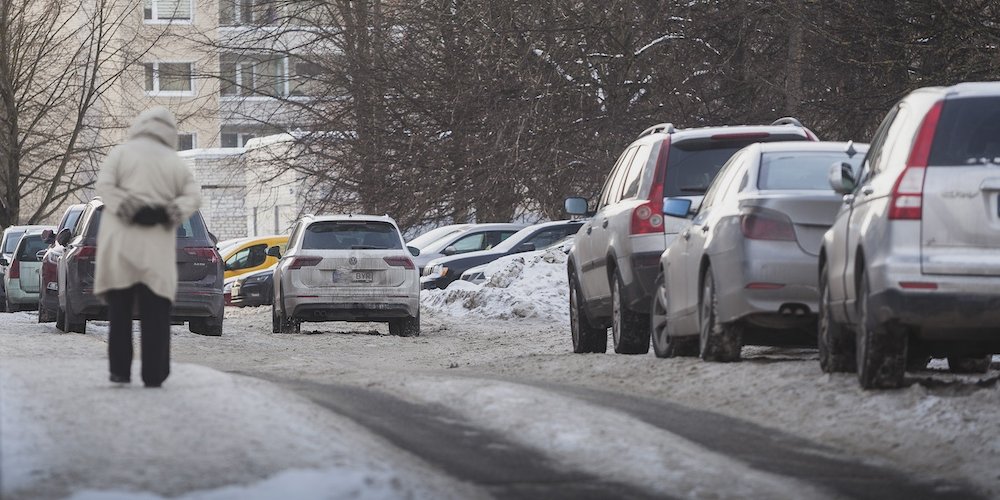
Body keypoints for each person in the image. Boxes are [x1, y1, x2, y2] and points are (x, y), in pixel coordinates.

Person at [94, 107, 202, 388]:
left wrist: (128, 207)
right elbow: (193, 195)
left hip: (121, 242)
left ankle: (119, 370)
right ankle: (154, 374)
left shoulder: (121, 153)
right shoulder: (173, 161)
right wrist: (169, 212)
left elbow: (104, 185)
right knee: (155, 312)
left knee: (120, 311)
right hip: (156, 245)